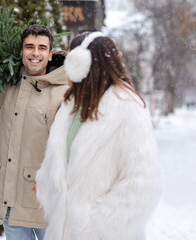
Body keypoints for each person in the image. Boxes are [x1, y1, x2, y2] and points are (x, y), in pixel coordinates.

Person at [35, 32, 161, 240]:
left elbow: (143, 183)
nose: (66, 66)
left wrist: (98, 226)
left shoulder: (127, 107)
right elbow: (63, 161)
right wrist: (48, 183)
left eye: (70, 58)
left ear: (82, 63)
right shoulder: (71, 104)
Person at [0, 24, 69, 240]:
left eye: (41, 48)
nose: (35, 53)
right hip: (11, 205)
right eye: (29, 47)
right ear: (21, 52)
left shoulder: (65, 92)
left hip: (49, 208)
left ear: (50, 54)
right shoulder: (7, 86)